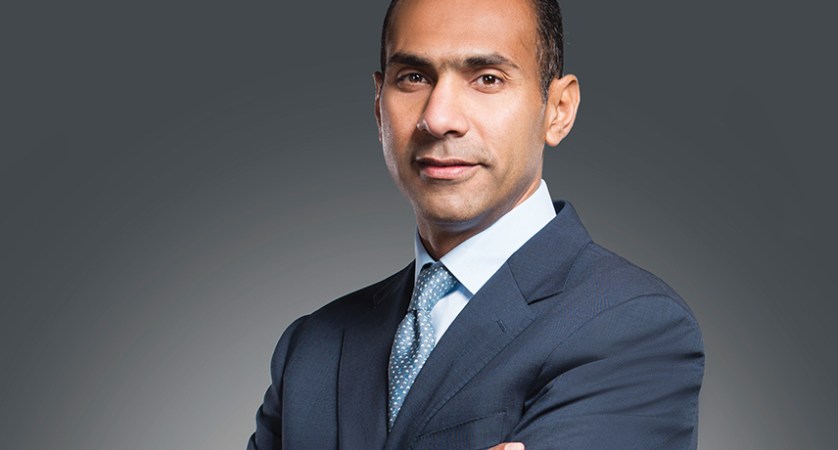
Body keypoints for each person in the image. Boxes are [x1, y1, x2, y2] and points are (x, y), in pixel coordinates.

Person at [248, 0, 704, 448]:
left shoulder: (632, 326)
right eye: (413, 77)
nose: (439, 119)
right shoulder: (312, 348)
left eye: (487, 78)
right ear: (378, 105)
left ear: (559, 109)